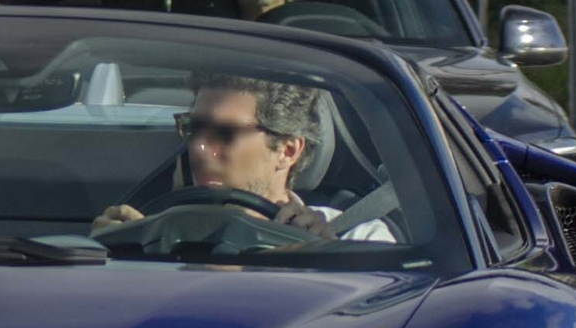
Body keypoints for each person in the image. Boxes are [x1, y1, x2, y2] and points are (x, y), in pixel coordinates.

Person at [93, 74, 387, 241]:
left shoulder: (356, 237)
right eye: (194, 128)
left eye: (225, 133)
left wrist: (329, 259)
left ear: (287, 151)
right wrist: (113, 252)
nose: (199, 149)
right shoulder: (155, 235)